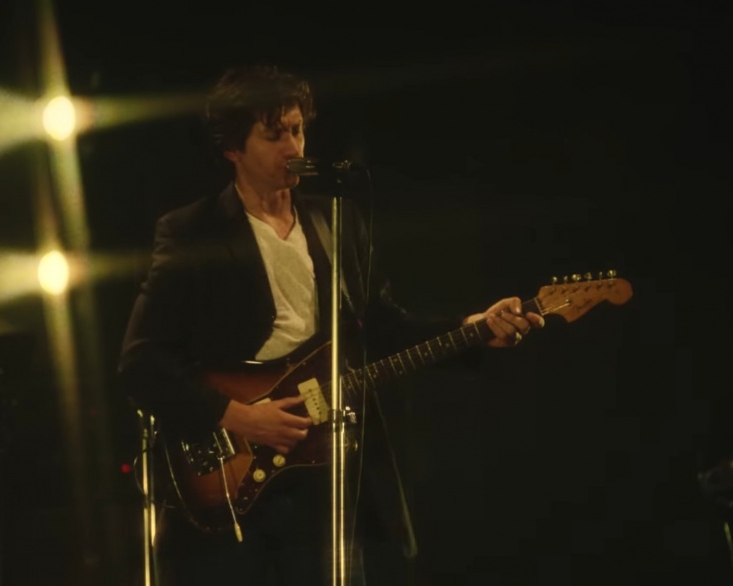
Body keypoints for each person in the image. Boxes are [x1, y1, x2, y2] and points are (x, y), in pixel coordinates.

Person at [117, 63, 545, 586]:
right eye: (273, 135)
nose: (293, 147)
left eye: (297, 129)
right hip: (233, 473)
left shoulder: (334, 220)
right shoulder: (193, 232)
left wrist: (472, 328)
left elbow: (379, 328)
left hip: (325, 471)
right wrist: (240, 417)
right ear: (232, 148)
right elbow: (141, 362)